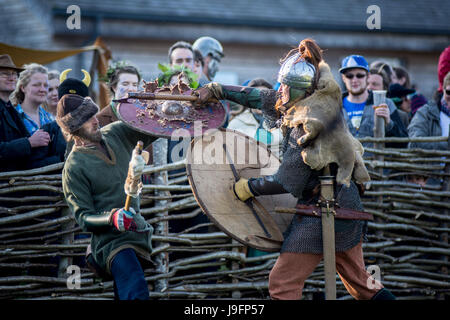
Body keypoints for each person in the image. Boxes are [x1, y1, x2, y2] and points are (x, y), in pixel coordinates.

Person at [193, 38, 395, 300]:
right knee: (363, 285)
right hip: (343, 203)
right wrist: (218, 89)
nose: (281, 92)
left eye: (287, 88)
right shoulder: (308, 102)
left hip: (326, 210)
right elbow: (260, 96)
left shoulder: (308, 123)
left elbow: (286, 181)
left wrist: (248, 187)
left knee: (282, 283)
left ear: (300, 91)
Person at [57, 93, 158, 300]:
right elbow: (84, 217)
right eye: (87, 119)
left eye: (94, 114)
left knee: (126, 291)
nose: (96, 120)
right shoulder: (74, 167)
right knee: (136, 289)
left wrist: (172, 111)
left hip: (137, 231)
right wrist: (111, 218)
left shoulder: (115, 132)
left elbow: (152, 129)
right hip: (109, 243)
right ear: (75, 129)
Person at [340, 55, 408, 148]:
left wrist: (389, 123)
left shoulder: (385, 103)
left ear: (368, 76)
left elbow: (403, 144)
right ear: (343, 78)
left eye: (359, 75)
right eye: (349, 76)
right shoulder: (335, 106)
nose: (354, 80)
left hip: (376, 162)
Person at [6, 62, 65, 169]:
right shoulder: (11, 117)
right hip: (16, 180)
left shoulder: (51, 119)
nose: (43, 89)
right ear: (23, 88)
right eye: (36, 85)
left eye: (45, 85)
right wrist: (28, 143)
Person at [227, 78, 283, 158]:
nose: (261, 101)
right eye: (255, 97)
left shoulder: (284, 121)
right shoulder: (236, 123)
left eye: (265, 96)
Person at [408, 71, 450, 151]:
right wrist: (447, 145)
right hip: (433, 163)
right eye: (449, 92)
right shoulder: (425, 113)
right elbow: (414, 143)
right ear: (443, 90)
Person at [97, 62, 141, 127]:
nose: (131, 89)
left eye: (135, 85)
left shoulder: (142, 114)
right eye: (125, 84)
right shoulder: (100, 119)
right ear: (114, 87)